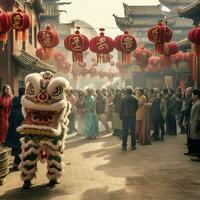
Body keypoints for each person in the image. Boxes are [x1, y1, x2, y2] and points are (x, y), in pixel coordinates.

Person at [5, 87, 25, 170]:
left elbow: (9, 117)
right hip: (22, 125)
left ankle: (16, 163)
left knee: (16, 145)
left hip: (14, 125)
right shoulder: (25, 102)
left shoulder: (14, 101)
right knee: (22, 144)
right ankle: (19, 164)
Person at [120, 86, 138, 151]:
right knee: (133, 131)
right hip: (132, 116)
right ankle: (133, 146)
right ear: (131, 91)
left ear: (126, 91)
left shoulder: (123, 98)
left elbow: (121, 109)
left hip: (125, 117)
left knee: (125, 131)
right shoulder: (135, 98)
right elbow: (136, 108)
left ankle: (124, 146)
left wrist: (121, 116)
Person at [189, 89, 200, 162]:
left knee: (198, 139)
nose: (191, 96)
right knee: (195, 139)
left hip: (196, 123)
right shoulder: (195, 102)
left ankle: (198, 155)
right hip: (193, 122)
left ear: (196, 95)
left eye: (192, 94)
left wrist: (196, 124)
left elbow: (197, 115)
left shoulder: (198, 103)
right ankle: (196, 153)